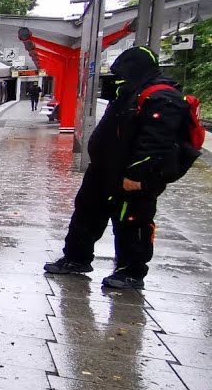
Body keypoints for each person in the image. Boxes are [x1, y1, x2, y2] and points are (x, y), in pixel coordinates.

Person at [44, 46, 187, 289]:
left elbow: (157, 142)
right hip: (104, 170)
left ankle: (131, 271)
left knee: (132, 221)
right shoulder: (130, 92)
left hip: (133, 177)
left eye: (122, 72)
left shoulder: (163, 97)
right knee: (86, 213)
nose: (119, 77)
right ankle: (76, 259)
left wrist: (137, 174)